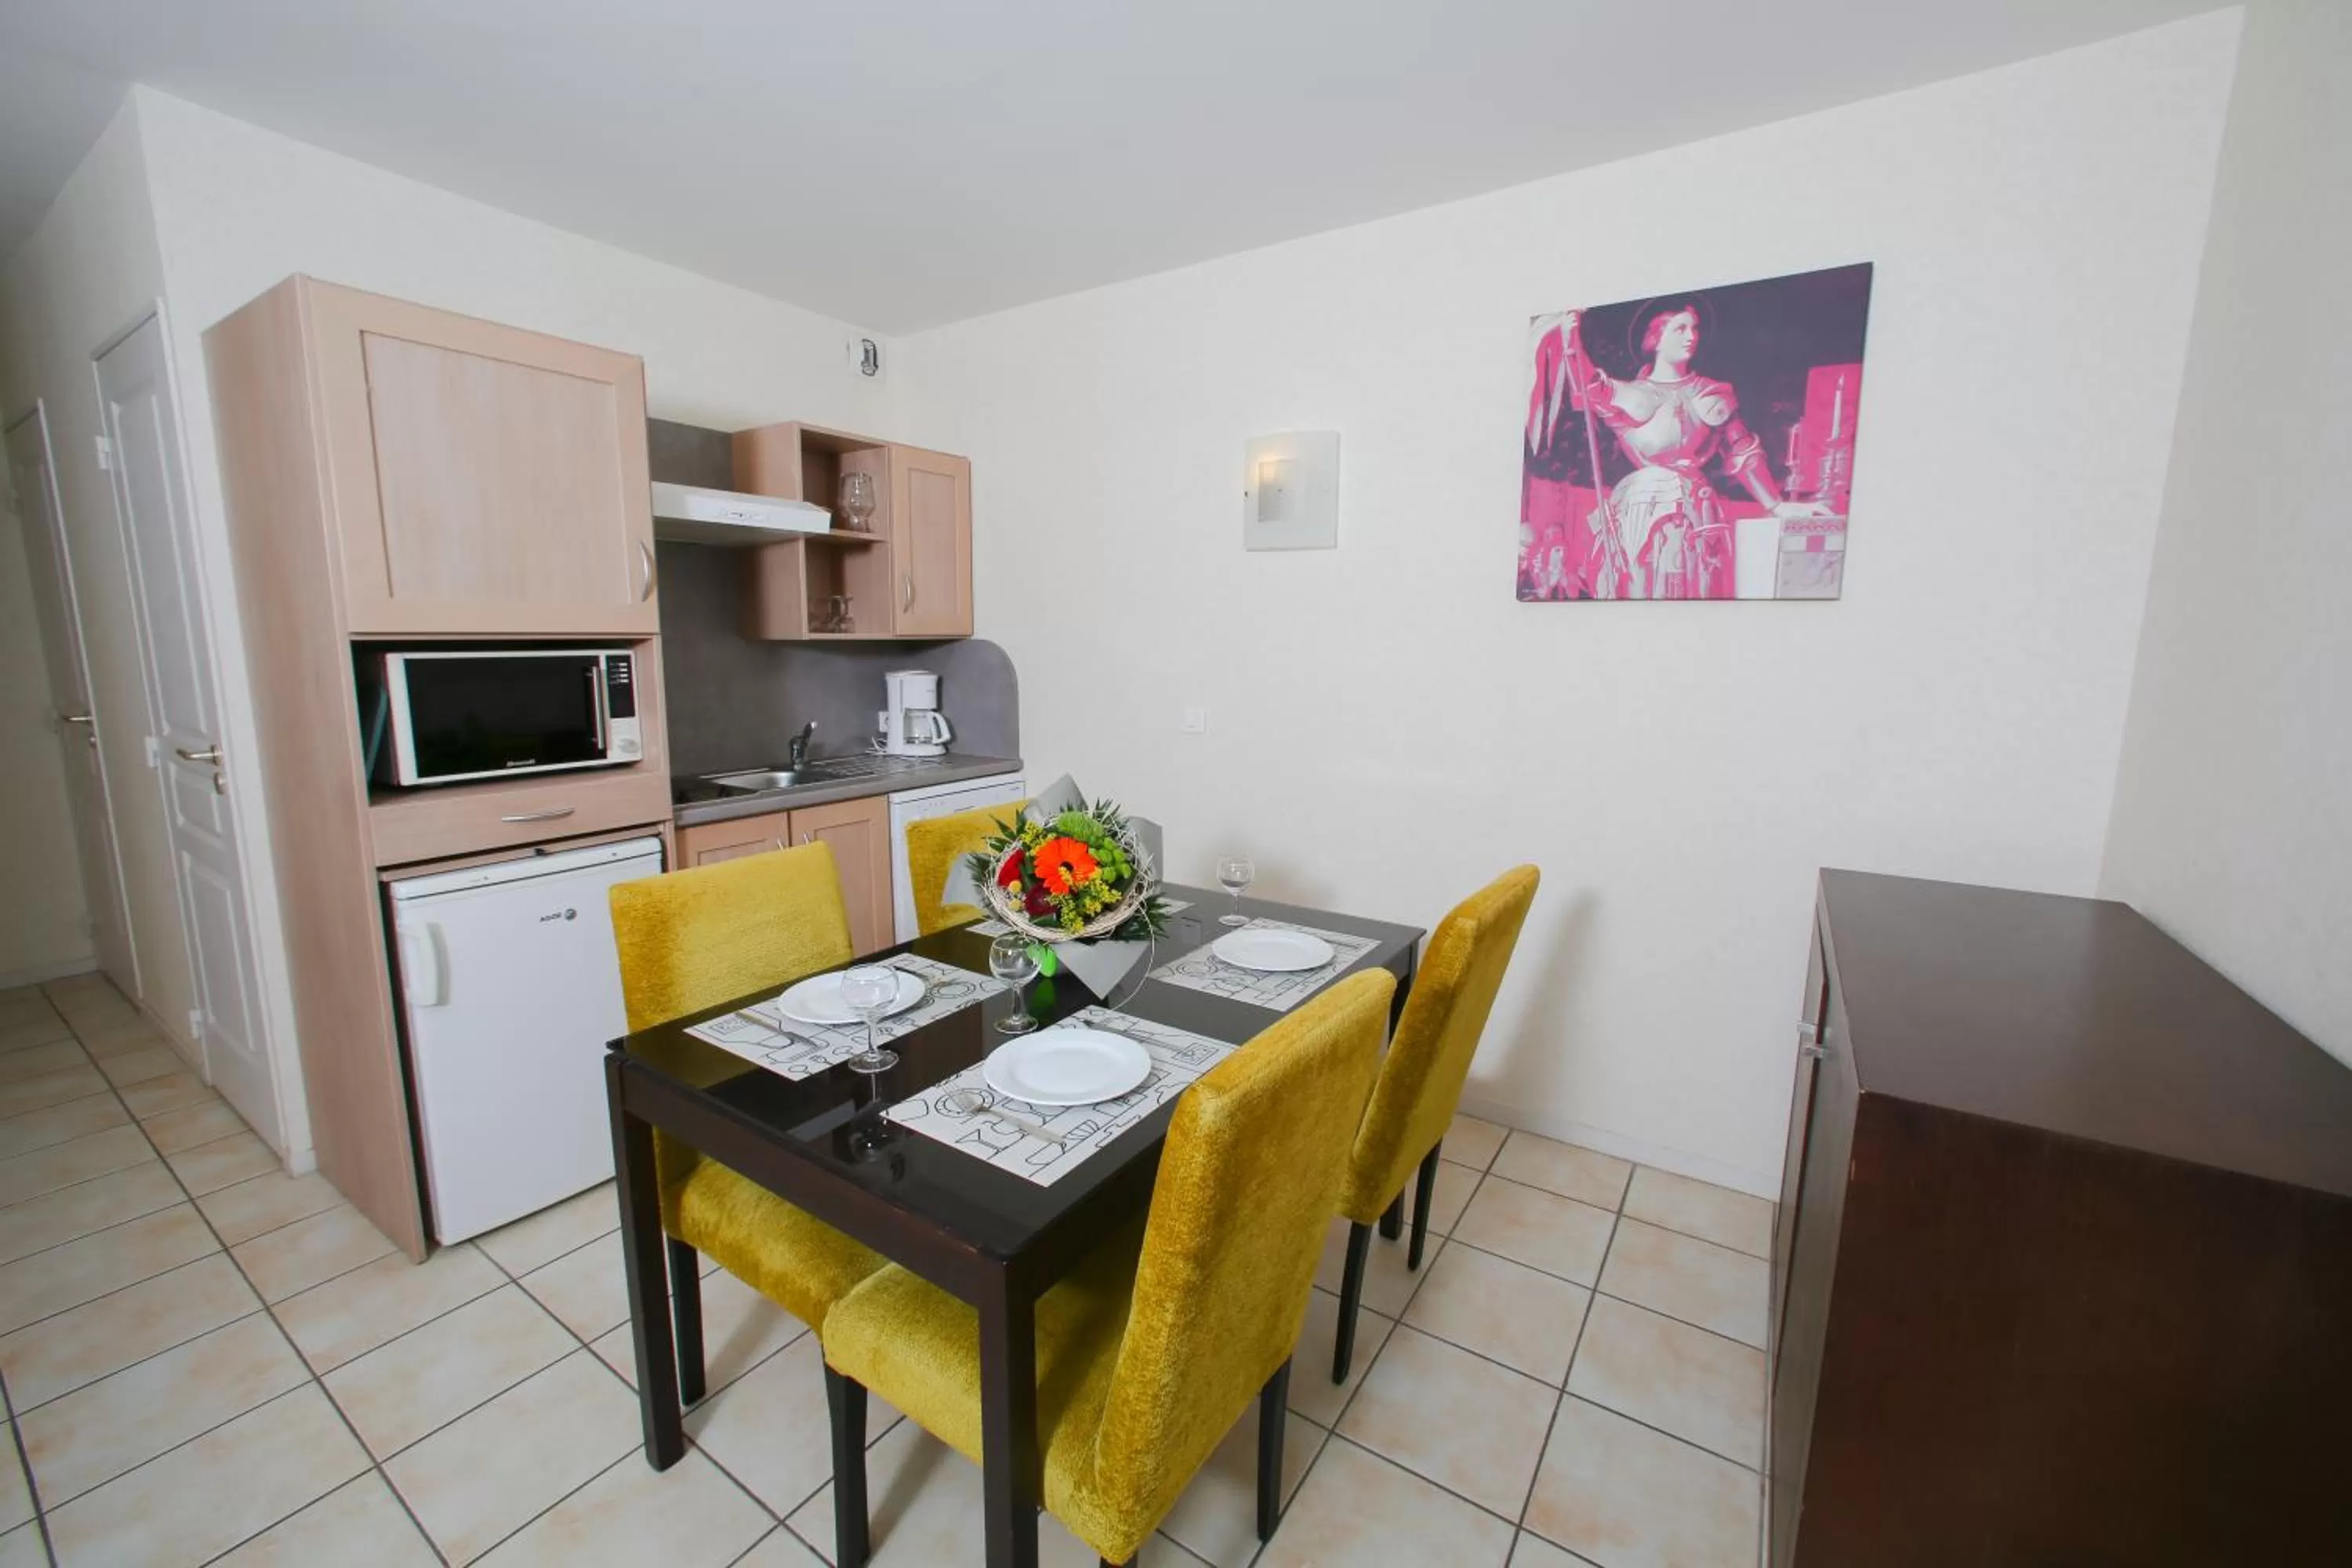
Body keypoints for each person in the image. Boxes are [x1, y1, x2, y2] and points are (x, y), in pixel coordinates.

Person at [1534, 302, 1834, 600]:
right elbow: (1588, 387)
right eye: (1681, 329)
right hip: (1642, 511)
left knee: (1701, 586)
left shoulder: (1712, 393)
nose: (1692, 336)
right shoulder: (1631, 394)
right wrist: (1570, 340)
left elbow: (1742, 451)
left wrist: (1776, 505)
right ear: (1656, 339)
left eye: (1695, 329)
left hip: (1700, 512)